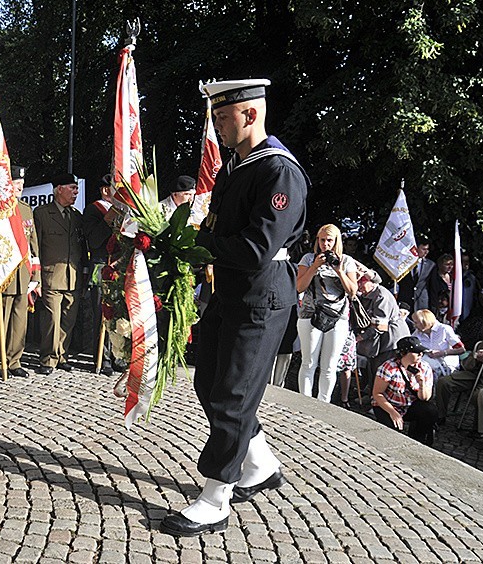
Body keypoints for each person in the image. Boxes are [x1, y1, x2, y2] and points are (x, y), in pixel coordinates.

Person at [159, 79, 309, 537]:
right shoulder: (236, 166)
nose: (217, 126)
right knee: (209, 381)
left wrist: (199, 245)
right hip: (230, 292)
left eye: (222, 117)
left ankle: (215, 497)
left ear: (249, 114)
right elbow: (221, 227)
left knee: (232, 395)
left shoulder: (276, 171)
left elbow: (257, 247)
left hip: (261, 294)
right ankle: (260, 464)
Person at [0, 165, 40, 378]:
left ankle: (14, 360)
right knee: (2, 317)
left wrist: (36, 274)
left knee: (20, 319)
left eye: (21, 183)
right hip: (4, 271)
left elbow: (33, 243)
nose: (20, 187)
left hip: (23, 273)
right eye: (16, 183)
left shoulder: (26, 209)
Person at [295, 224, 358, 402]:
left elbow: (352, 291)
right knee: (308, 362)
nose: (325, 244)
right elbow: (299, 286)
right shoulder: (308, 259)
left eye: (329, 240)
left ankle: (323, 404)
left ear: (336, 241)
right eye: (322, 240)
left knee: (329, 366)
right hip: (310, 315)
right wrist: (314, 267)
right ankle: (304, 403)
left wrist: (338, 269)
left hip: (338, 318)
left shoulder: (346, 261)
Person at [33, 173, 86, 374]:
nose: (76, 192)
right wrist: (36, 276)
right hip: (51, 275)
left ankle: (62, 355)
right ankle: (48, 358)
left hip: (73, 276)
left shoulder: (76, 216)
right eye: (72, 188)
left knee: (68, 319)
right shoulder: (42, 213)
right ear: (59, 189)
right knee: (51, 320)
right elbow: (35, 246)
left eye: (76, 188)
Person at [82, 173, 123, 376]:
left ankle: (117, 354)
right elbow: (95, 240)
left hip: (119, 267)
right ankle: (102, 356)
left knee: (118, 313)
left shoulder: (124, 211)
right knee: (102, 312)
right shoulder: (93, 210)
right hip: (101, 266)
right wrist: (108, 219)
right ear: (106, 190)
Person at [371, 336, 438, 446]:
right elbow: (377, 393)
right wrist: (392, 412)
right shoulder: (389, 367)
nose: (420, 355)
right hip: (388, 404)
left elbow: (425, 398)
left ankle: (418, 439)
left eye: (421, 352)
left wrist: (421, 384)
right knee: (393, 432)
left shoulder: (425, 368)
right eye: (416, 352)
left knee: (430, 410)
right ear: (404, 353)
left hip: (409, 404)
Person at [356, 270, 411, 377]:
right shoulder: (364, 294)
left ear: (371, 281)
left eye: (361, 282)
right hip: (377, 340)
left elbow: (379, 327)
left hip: (391, 339)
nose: (359, 285)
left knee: (384, 371)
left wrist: (360, 337)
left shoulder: (381, 296)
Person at [410, 309, 465, 380]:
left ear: (424, 322)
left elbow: (461, 349)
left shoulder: (444, 329)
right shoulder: (417, 333)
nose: (414, 325)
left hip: (446, 362)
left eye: (416, 323)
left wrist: (442, 353)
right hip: (428, 363)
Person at [396, 237, 434, 312]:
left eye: (427, 249)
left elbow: (431, 285)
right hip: (405, 300)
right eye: (423, 249)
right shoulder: (403, 263)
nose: (426, 252)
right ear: (416, 249)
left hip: (421, 302)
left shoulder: (430, 265)